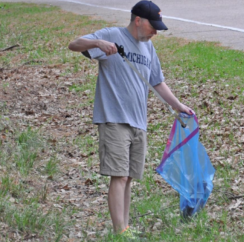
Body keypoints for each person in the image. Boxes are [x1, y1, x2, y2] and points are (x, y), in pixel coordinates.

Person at [68, 0, 194, 235]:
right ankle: (120, 233)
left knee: (128, 179)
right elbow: (73, 44)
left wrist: (178, 106)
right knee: (120, 175)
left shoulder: (148, 48)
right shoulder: (111, 35)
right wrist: (98, 42)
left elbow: (157, 81)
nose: (156, 31)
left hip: (139, 121)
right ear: (138, 20)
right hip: (114, 117)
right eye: (153, 26)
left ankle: (125, 228)